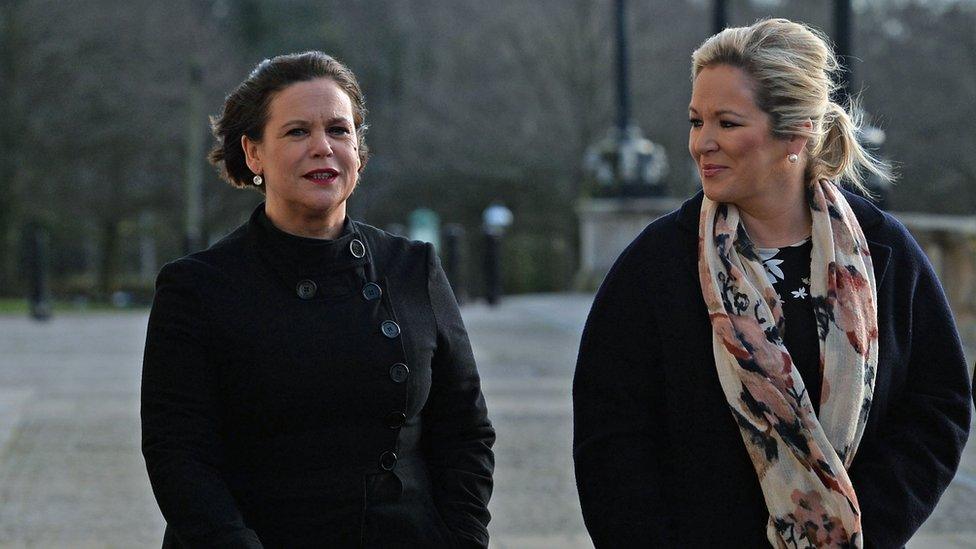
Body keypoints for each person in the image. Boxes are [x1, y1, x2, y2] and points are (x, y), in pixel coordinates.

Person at [573, 18, 971, 548]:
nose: (702, 143)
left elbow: (936, 406)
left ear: (796, 132)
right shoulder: (655, 266)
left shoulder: (884, 252)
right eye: (696, 121)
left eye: (727, 123)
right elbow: (611, 444)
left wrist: (866, 527)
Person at [141, 51, 495, 548]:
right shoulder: (198, 288)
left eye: (339, 129)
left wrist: (463, 537)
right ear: (253, 153)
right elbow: (178, 455)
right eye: (297, 132)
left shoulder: (413, 268)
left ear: (359, 149)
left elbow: (465, 431)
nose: (322, 147)